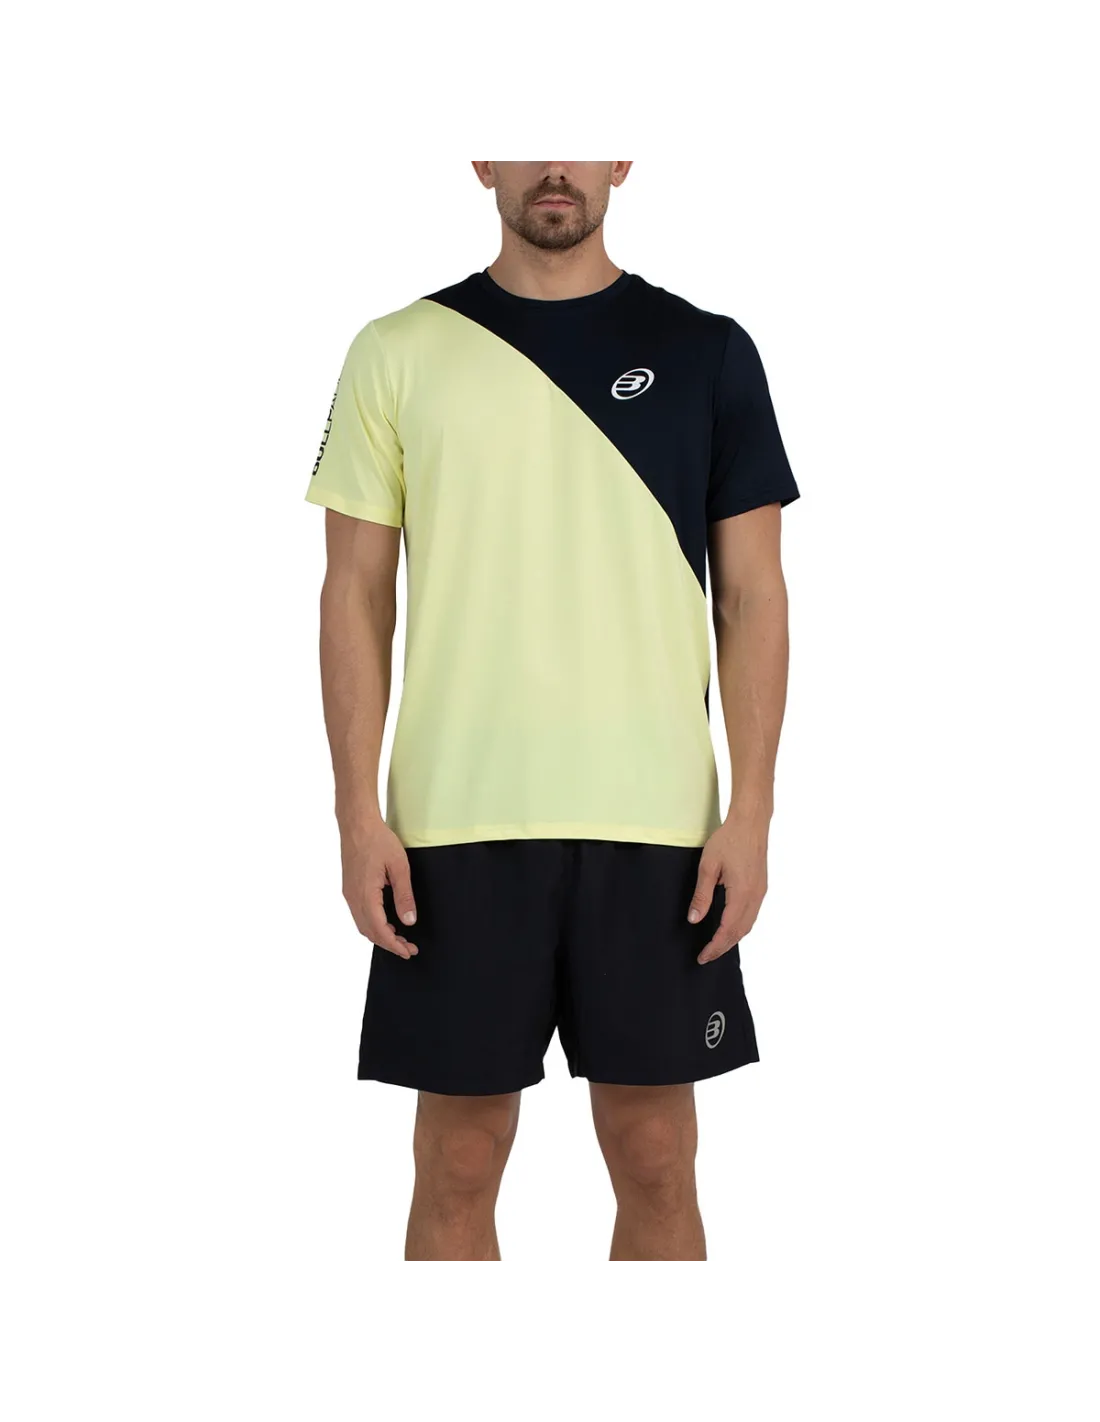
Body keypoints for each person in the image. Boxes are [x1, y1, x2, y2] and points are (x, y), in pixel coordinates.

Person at [305, 160, 799, 1263]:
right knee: (457, 1160)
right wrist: (355, 814)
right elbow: (354, 595)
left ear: (622, 159)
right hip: (452, 822)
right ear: (483, 160)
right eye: (523, 135)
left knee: (656, 1156)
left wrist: (753, 812)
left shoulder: (708, 351)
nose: (554, 167)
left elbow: (754, 596)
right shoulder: (396, 350)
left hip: (659, 824)